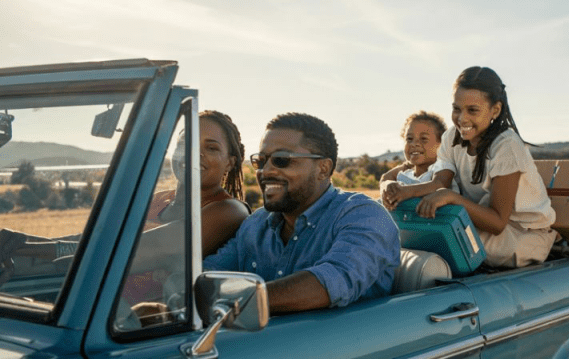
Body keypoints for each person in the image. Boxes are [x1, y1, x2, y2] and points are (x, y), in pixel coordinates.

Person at [0, 110, 250, 285]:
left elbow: (128, 252)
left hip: (144, 327)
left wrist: (26, 249)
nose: (194, 154)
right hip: (102, 307)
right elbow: (95, 240)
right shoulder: (157, 200)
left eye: (211, 148)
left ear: (231, 162)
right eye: (185, 143)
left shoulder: (228, 211)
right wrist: (21, 239)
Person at [203, 112, 400, 314]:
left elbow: (329, 283)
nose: (266, 171)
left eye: (282, 160)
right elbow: (208, 274)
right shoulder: (255, 224)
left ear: (323, 168)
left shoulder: (364, 215)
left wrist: (231, 300)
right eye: (261, 161)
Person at [414, 66, 557, 268]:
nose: (462, 118)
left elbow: (498, 223)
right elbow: (439, 183)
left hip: (522, 233)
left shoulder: (506, 145)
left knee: (449, 246)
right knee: (430, 234)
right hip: (479, 224)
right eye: (456, 109)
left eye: (472, 110)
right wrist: (403, 192)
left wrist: (452, 198)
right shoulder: (451, 137)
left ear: (495, 110)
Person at [379, 111, 457, 210]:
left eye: (424, 139)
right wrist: (387, 186)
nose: (414, 143)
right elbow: (386, 177)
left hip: (437, 221)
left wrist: (407, 192)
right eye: (409, 139)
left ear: (441, 144)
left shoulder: (442, 165)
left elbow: (440, 184)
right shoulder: (406, 173)